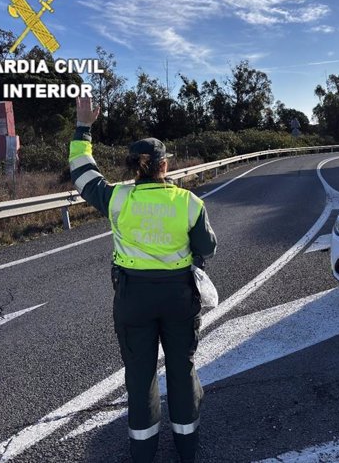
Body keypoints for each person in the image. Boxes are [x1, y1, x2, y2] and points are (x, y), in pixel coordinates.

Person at [68, 97, 217, 463]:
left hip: (132, 297)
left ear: (133, 168)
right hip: (180, 297)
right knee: (182, 369)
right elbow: (207, 248)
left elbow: (82, 172)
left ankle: (143, 451)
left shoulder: (118, 198)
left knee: (139, 375)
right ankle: (187, 448)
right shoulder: (188, 202)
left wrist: (83, 126)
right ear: (165, 165)